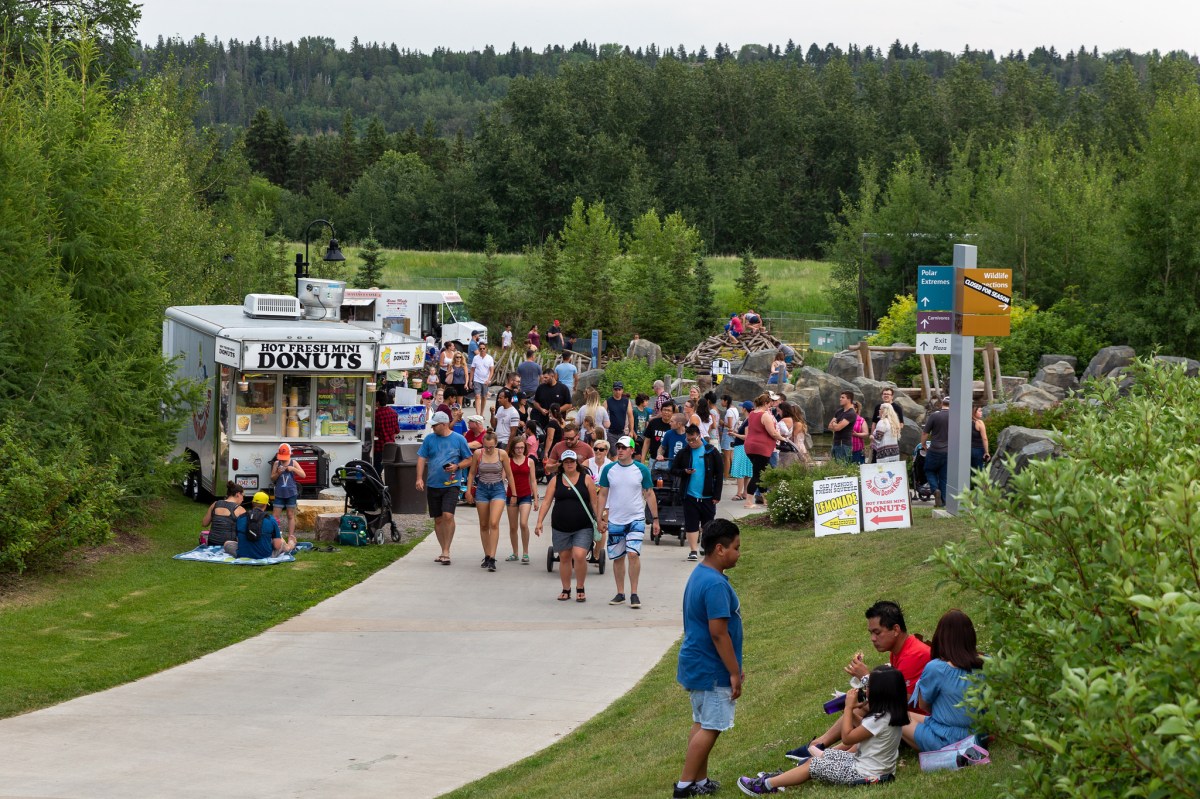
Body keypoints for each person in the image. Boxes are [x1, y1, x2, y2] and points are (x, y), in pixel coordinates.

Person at [784, 600, 931, 761]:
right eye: (871, 633)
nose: (873, 639)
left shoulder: (913, 654)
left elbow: (899, 702)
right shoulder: (899, 650)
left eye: (877, 632)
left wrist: (868, 678)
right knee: (858, 705)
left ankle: (829, 754)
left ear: (895, 629)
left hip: (917, 724)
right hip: (905, 716)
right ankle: (821, 746)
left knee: (868, 709)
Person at [738, 665, 907, 795]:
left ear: (881, 693)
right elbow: (864, 729)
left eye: (869, 687)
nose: (866, 690)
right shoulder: (889, 715)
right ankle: (781, 779)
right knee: (823, 754)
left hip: (864, 774)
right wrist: (847, 711)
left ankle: (766, 786)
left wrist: (849, 709)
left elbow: (848, 738)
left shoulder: (880, 719)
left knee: (814, 764)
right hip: (872, 769)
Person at [673, 519, 744, 799]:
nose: (739, 553)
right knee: (712, 726)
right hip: (711, 667)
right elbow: (718, 633)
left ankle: (699, 781)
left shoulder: (700, 573)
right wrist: (734, 672)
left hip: (696, 663)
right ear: (720, 549)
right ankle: (684, 786)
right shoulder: (715, 584)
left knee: (701, 722)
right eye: (736, 548)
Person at [902, 609, 986, 752]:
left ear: (941, 637)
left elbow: (924, 705)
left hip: (948, 738)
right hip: (980, 735)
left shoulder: (936, 668)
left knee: (892, 716)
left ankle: (933, 751)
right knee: (905, 714)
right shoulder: (987, 662)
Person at [597, 435, 659, 609]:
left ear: (632, 450)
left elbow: (649, 493)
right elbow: (602, 494)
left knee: (633, 554)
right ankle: (620, 592)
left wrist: (655, 519)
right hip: (615, 520)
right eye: (619, 447)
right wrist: (599, 518)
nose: (621, 450)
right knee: (618, 558)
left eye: (624, 447)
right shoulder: (609, 469)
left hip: (636, 519)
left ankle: (634, 593)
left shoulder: (641, 469)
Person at [534, 449, 603, 602]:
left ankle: (580, 587)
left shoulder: (586, 479)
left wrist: (599, 520)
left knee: (579, 555)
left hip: (583, 525)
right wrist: (539, 522)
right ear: (562, 464)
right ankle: (566, 588)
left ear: (576, 463)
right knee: (564, 557)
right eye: (566, 462)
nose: (570, 464)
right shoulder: (555, 480)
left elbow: (594, 502)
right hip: (560, 526)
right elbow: (546, 502)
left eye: (572, 461)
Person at [415, 410, 474, 565]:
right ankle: (443, 550)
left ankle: (446, 551)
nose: (433, 428)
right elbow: (421, 458)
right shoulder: (429, 439)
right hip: (433, 483)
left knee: (448, 515)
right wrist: (419, 478)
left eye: (435, 425)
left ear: (444, 424)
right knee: (439, 519)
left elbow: (469, 459)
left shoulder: (459, 439)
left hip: (451, 484)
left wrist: (457, 466)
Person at [466, 431, 517, 572]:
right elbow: (471, 473)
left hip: (498, 489)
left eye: (491, 447)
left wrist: (514, 493)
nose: (488, 449)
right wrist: (468, 490)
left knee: (494, 522)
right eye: (486, 446)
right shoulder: (478, 454)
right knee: (483, 524)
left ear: (496, 444)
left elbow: (510, 474)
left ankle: (493, 557)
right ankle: (487, 555)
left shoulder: (502, 454)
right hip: (482, 489)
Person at [672, 425, 723, 560]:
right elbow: (673, 469)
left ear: (699, 436)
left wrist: (717, 495)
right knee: (691, 523)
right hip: (690, 494)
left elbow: (719, 474)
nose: (691, 442)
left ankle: (704, 546)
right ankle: (693, 550)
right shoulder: (684, 452)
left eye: (693, 439)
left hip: (708, 495)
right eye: (688, 440)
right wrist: (684, 472)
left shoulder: (711, 451)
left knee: (708, 524)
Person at [743, 394, 784, 509]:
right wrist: (784, 439)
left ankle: (766, 499)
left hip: (750, 447)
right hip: (761, 447)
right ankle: (749, 501)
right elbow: (773, 432)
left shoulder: (752, 414)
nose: (770, 405)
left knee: (761, 473)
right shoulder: (765, 415)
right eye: (769, 403)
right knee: (757, 474)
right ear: (766, 403)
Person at [504, 436, 538, 565]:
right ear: (512, 449)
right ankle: (515, 552)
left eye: (522, 447)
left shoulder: (530, 461)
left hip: (525, 495)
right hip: (511, 496)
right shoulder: (508, 460)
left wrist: (536, 499)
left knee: (523, 523)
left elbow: (533, 480)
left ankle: (525, 552)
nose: (519, 450)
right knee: (513, 527)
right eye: (517, 447)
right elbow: (502, 477)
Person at [225, 491, 288, 559]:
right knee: (281, 542)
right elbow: (277, 546)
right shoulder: (271, 520)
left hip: (243, 554)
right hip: (265, 556)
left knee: (227, 544)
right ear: (265, 505)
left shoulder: (240, 518)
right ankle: (291, 545)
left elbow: (238, 539)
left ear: (252, 503)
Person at [270, 443, 306, 541]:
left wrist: (293, 469)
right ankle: (276, 536)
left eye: (285, 457)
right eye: (281, 457)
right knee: (275, 516)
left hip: (291, 493)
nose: (283, 459)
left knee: (290, 515)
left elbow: (303, 475)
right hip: (279, 493)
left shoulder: (293, 462)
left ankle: (291, 536)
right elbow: (272, 478)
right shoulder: (277, 463)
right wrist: (278, 473)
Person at [921, 396, 951, 506]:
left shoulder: (934, 416)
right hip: (948, 451)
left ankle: (935, 490)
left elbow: (925, 433)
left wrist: (923, 444)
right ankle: (943, 501)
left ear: (941, 404)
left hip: (934, 449)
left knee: (929, 470)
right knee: (944, 476)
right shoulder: (955, 416)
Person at [201, 481, 245, 548]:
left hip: (212, 543)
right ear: (238, 494)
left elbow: (204, 523)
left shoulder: (215, 504)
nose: (243, 499)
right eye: (243, 496)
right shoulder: (240, 510)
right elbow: (244, 531)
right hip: (229, 546)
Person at [531, 366, 570, 433]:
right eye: (543, 378)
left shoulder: (563, 388)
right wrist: (541, 409)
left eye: (546, 377)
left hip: (558, 421)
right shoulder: (541, 387)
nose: (544, 379)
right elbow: (535, 402)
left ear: (552, 376)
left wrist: (556, 411)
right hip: (543, 420)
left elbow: (569, 404)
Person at [729, 401, 754, 501]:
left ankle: (739, 493)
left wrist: (734, 434)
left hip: (742, 447)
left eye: (742, 407)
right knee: (746, 471)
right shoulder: (748, 420)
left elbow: (746, 437)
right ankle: (745, 493)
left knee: (740, 470)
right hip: (745, 448)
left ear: (744, 409)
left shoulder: (748, 421)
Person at [776, 401, 811, 468]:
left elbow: (793, 436)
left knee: (800, 465)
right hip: (795, 445)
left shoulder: (798, 424)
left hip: (797, 445)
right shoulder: (793, 422)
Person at [827, 391, 858, 463]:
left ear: (849, 399)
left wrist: (834, 423)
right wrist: (836, 424)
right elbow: (829, 426)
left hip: (844, 444)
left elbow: (838, 428)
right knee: (834, 466)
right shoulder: (839, 411)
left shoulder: (851, 413)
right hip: (836, 443)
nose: (840, 399)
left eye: (843, 397)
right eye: (840, 397)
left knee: (842, 466)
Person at [373, 390, 399, 472]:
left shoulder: (376, 415)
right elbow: (397, 430)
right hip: (391, 447)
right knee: (388, 472)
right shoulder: (393, 413)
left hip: (379, 447)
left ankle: (379, 485)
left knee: (376, 471)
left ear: (377, 402)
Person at [605, 381, 635, 449]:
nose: (617, 391)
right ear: (613, 390)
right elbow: (602, 415)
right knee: (614, 454)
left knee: (622, 453)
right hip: (610, 432)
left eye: (619, 389)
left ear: (622, 390)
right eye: (616, 389)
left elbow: (630, 416)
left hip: (622, 432)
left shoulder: (626, 401)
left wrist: (631, 431)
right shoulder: (608, 401)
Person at [470, 341, 494, 416]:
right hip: (477, 379)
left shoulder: (489, 358)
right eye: (480, 349)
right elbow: (472, 369)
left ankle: (481, 413)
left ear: (486, 349)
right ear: (479, 349)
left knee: (484, 397)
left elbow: (492, 370)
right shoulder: (475, 358)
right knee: (477, 396)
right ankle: (477, 414)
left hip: (485, 381)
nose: (482, 350)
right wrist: (470, 381)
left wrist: (489, 379)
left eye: (483, 348)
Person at [720, 395, 738, 477]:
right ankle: (734, 473)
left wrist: (722, 423)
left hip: (728, 434)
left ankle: (726, 475)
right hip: (732, 435)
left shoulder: (729, 411)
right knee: (731, 456)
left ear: (726, 401)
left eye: (722, 400)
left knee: (726, 457)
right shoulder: (735, 409)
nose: (721, 402)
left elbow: (730, 425)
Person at [970, 405, 990, 473]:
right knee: (979, 472)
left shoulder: (965, 422)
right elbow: (984, 438)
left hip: (967, 450)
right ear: (974, 412)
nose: (981, 412)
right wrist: (986, 452)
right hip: (977, 450)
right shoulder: (979, 423)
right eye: (979, 411)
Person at [850, 400, 869, 465]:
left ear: (856, 409)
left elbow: (866, 434)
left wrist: (856, 434)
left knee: (858, 466)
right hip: (845, 448)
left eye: (851, 409)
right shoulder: (843, 419)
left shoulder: (861, 420)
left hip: (858, 448)